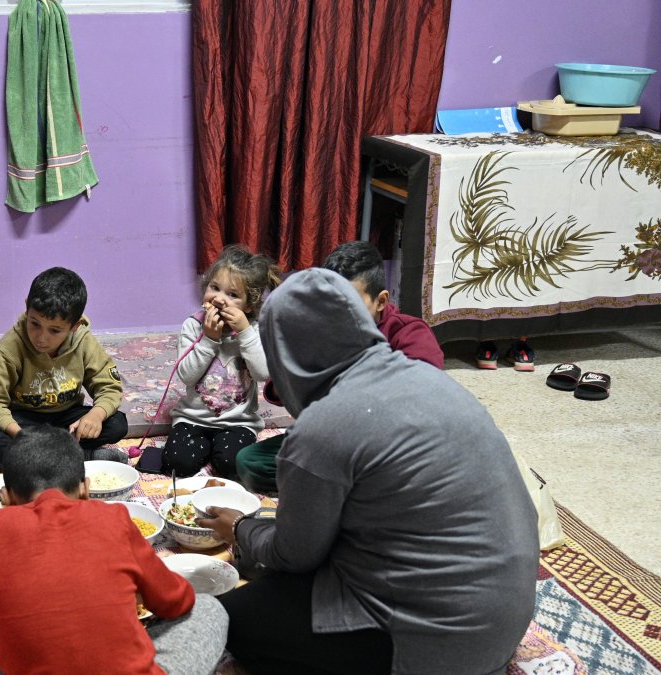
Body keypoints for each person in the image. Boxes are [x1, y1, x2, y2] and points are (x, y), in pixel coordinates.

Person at [197, 269, 538, 675]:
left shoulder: (324, 426)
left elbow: (293, 556)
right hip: (506, 618)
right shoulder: (430, 379)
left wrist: (241, 529)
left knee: (229, 617)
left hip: (436, 645)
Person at [0, 426, 229, 674]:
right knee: (209, 609)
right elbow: (176, 602)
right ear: (86, 490)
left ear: (5, 499)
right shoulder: (113, 517)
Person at [0, 267, 129, 467]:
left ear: (75, 325)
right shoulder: (8, 349)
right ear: (27, 308)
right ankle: (83, 457)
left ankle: (39, 461)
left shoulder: (83, 341)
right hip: (25, 420)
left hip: (66, 420)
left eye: (55, 330)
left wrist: (95, 415)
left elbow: (109, 387)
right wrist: (21, 435)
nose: (41, 338)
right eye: (35, 324)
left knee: (117, 424)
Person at [163, 245, 282, 479]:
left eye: (233, 295)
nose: (219, 299)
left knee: (232, 466)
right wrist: (209, 339)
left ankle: (218, 455)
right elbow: (186, 375)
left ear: (248, 305)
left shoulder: (254, 330)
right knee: (176, 465)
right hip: (193, 418)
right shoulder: (193, 326)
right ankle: (203, 451)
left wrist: (246, 333)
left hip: (238, 421)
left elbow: (262, 373)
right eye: (214, 288)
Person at [322, 240, 444, 369]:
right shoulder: (316, 322)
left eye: (351, 303)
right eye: (331, 299)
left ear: (380, 301)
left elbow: (425, 382)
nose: (339, 313)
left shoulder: (409, 334)